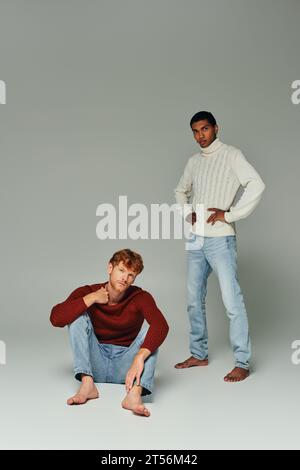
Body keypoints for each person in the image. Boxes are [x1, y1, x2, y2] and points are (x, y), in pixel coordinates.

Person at [174, 111, 265, 382]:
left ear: (215, 128)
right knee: (193, 299)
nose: (200, 136)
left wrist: (230, 214)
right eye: (195, 131)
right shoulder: (193, 161)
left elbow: (256, 184)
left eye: (204, 129)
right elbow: (180, 190)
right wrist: (186, 211)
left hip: (221, 238)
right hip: (196, 238)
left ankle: (242, 361)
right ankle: (199, 354)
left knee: (231, 301)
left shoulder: (232, 155)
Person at [50, 249, 169, 417]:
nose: (124, 278)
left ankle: (134, 395)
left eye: (131, 275)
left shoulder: (140, 297)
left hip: (127, 369)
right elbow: (56, 318)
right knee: (77, 316)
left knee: (153, 333)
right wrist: (91, 299)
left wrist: (139, 357)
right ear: (110, 268)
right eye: (121, 270)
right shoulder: (88, 291)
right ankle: (87, 383)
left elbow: (162, 325)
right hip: (94, 363)